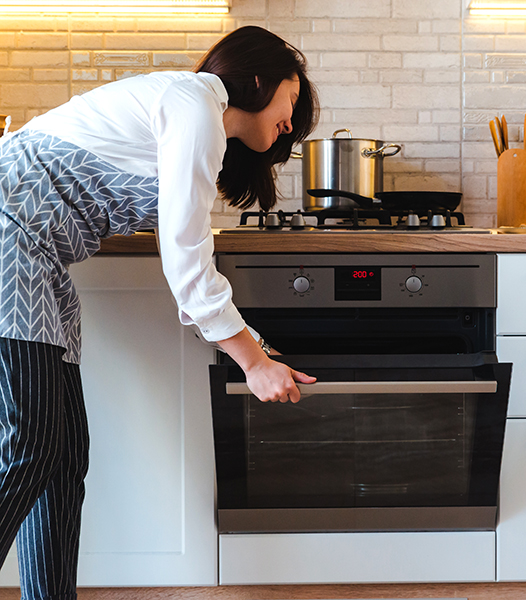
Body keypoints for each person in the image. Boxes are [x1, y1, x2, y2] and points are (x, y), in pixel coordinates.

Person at [0, 25, 319, 600]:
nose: (290, 123)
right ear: (256, 80)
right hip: (10, 240)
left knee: (62, 459)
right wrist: (252, 362)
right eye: (290, 100)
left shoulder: (194, 114)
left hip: (38, 258)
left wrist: (253, 347)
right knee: (30, 442)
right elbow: (187, 262)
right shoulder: (194, 102)